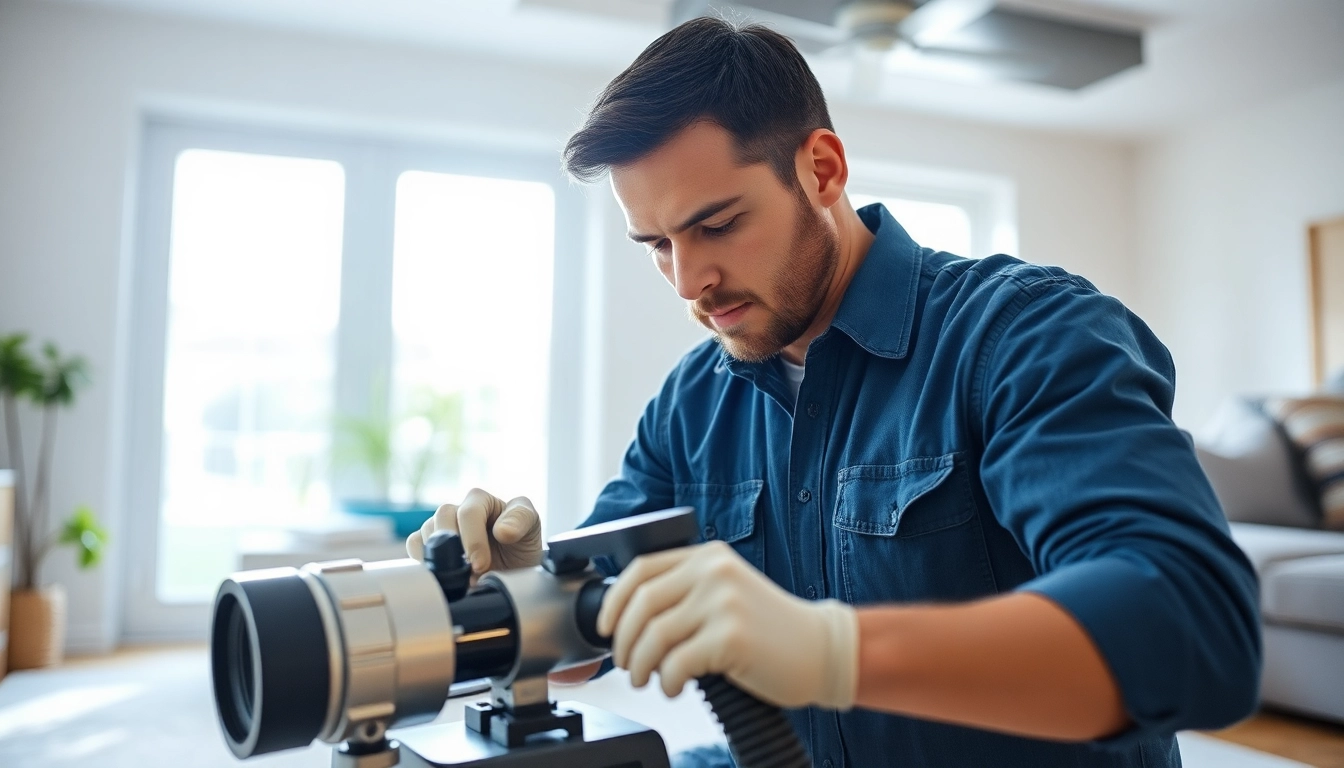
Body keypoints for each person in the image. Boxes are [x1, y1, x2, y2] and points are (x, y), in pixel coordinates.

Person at [406, 16, 1261, 768]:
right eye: (656, 244)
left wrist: (833, 651)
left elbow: (1191, 627)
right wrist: (519, 596)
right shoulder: (692, 404)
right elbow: (588, 633)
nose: (688, 280)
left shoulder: (1023, 336)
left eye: (718, 224)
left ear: (820, 169)